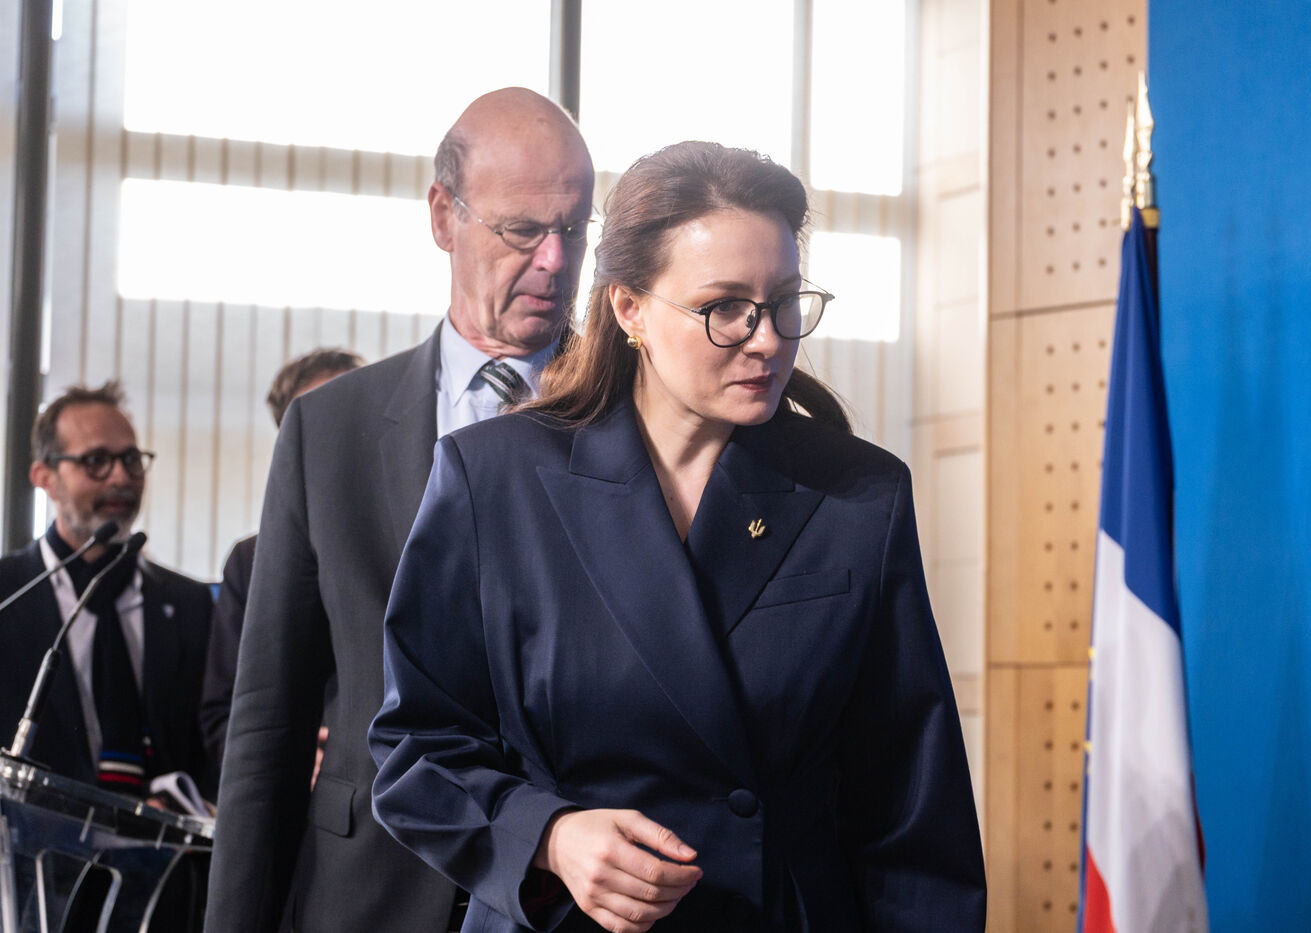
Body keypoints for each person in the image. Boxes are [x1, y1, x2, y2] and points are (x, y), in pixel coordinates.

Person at [369, 141, 986, 932]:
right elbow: (417, 746)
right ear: (630, 309)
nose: (767, 339)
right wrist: (548, 836)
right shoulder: (494, 478)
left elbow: (913, 807)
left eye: (784, 301)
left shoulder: (860, 495)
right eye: (724, 307)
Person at [205, 87, 594, 933]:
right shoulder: (328, 430)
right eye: (522, 230)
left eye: (574, 228)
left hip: (566, 899)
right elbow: (268, 724)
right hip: (363, 891)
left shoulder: (637, 424)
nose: (556, 260)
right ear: (443, 216)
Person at [0, 381, 212, 796]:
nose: (121, 476)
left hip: (161, 836)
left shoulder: (189, 603)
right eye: (96, 461)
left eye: (131, 459)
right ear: (44, 477)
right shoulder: (8, 595)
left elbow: (213, 743)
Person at [199, 347, 364, 787]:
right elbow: (224, 715)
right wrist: (295, 760)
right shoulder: (251, 563)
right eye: (331, 419)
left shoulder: (421, 540)